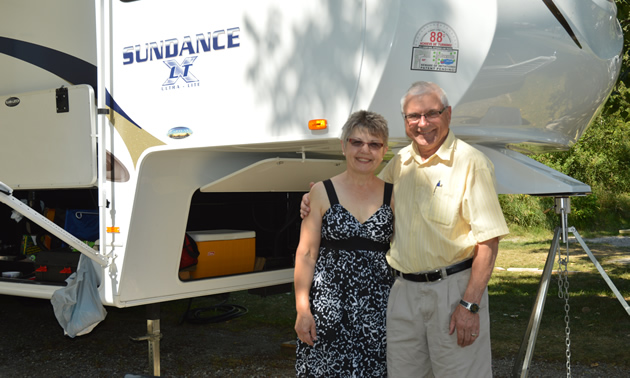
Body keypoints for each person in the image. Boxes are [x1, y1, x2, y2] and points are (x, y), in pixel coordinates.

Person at [301, 81, 509, 377]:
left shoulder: (471, 163)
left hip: (452, 292)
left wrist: (470, 304)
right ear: (405, 122)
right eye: (413, 116)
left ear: (448, 114)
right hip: (402, 294)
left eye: (431, 114)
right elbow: (362, 189)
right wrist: (313, 198)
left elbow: (489, 242)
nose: (422, 124)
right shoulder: (400, 163)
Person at [294, 110, 394, 377]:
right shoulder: (321, 192)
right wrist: (303, 309)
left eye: (374, 144)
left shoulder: (392, 194)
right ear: (343, 145)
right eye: (357, 142)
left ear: (384, 150)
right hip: (328, 307)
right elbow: (306, 254)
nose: (365, 151)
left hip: (378, 309)